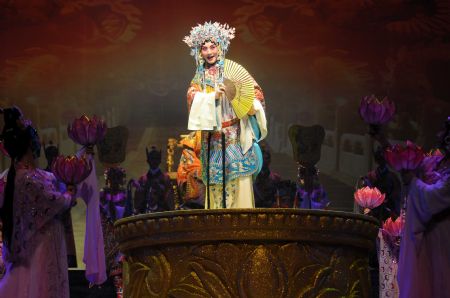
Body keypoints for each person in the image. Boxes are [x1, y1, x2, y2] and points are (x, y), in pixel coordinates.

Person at [184, 21, 267, 209]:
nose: (209, 52)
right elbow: (191, 97)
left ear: (220, 47)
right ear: (199, 52)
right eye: (204, 48)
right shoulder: (199, 77)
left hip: (236, 135)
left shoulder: (233, 70)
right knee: (216, 185)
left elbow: (255, 93)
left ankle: (240, 228)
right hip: (213, 138)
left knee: (239, 182)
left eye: (212, 46)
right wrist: (212, 96)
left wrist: (250, 106)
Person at [0, 106, 76, 298]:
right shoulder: (29, 179)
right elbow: (58, 202)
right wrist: (69, 193)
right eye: (35, 137)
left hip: (35, 244)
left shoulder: (18, 177)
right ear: (29, 145)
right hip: (42, 245)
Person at [397, 116, 450, 298]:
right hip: (431, 233)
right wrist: (380, 137)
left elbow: (435, 196)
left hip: (444, 235)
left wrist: (413, 182)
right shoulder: (435, 162)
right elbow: (405, 161)